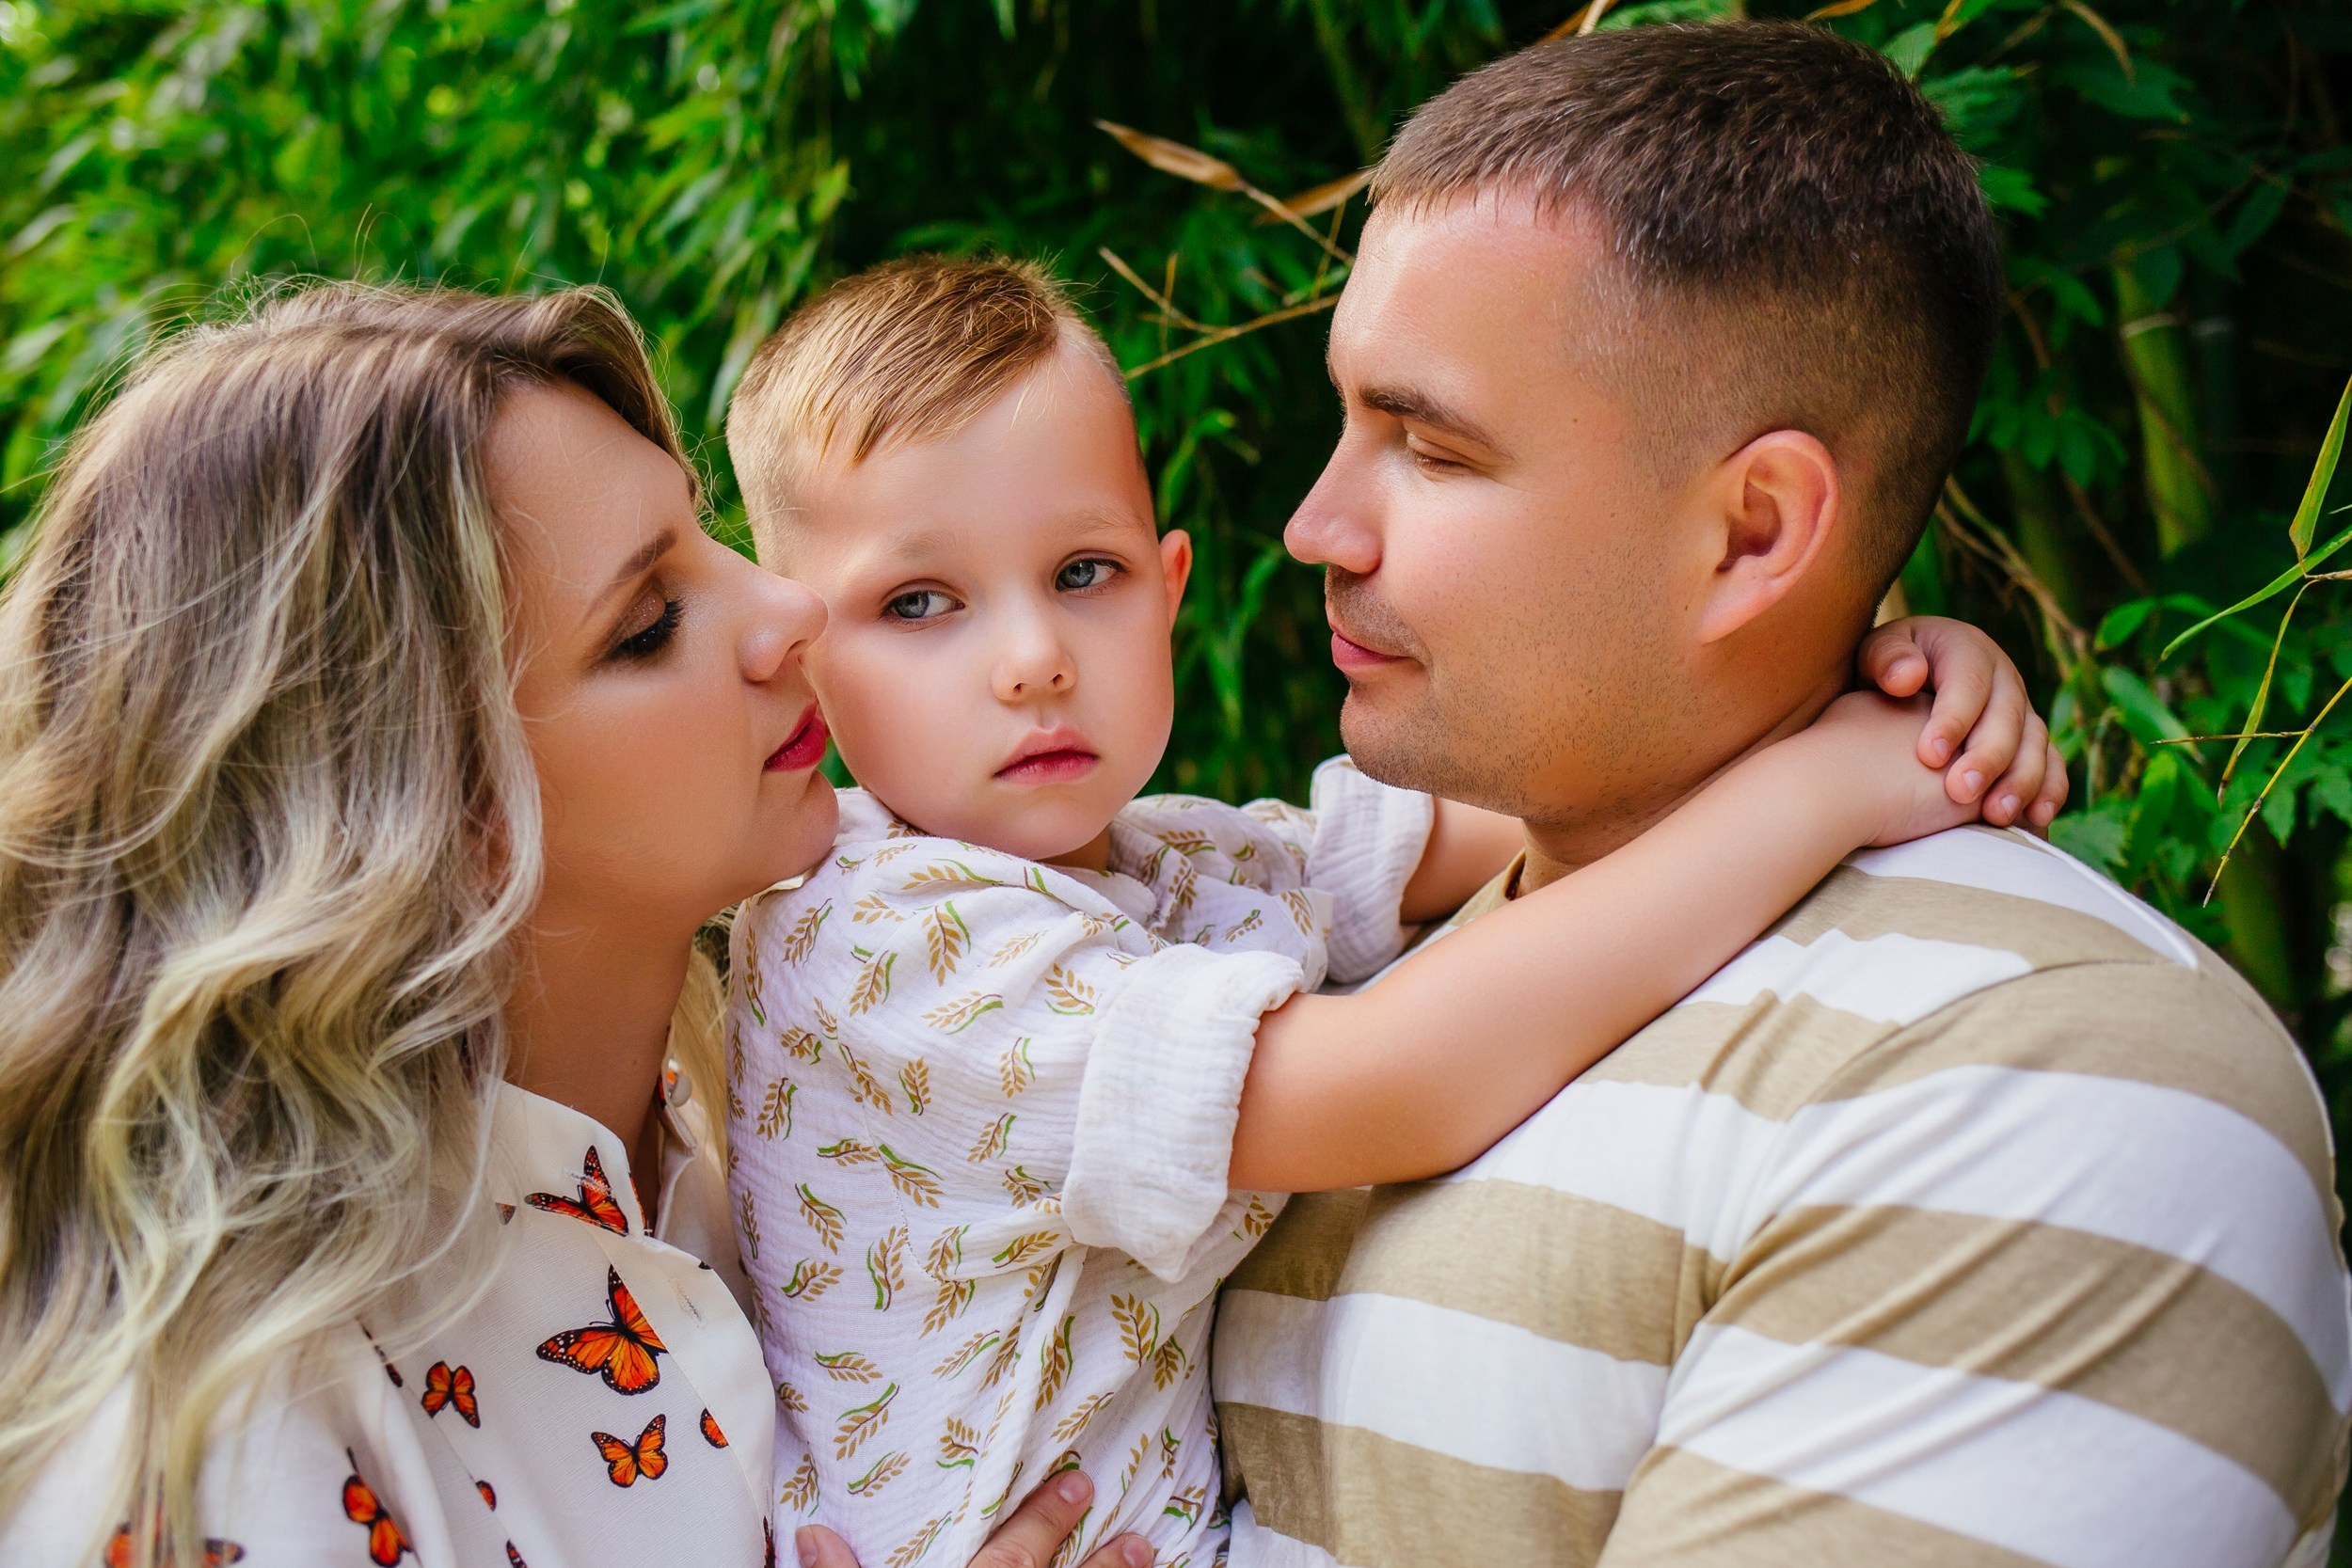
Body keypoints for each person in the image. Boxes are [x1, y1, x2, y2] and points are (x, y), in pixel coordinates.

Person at [1188, 24, 2352, 1568]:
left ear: (1752, 532)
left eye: (1430, 447)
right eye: (1349, 422)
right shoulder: (1349, 956)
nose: (1315, 525)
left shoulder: (2050, 1076)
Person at [718, 255, 2061, 1567]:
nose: (1031, 661)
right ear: (803, 657)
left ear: (1169, 585)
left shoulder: (1180, 861)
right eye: (918, 604)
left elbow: (1590, 795)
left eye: (1083, 574)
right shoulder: (885, 943)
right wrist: (1826, 789)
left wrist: (1864, 683)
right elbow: (1397, 1083)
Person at [0, 283, 1139, 1568]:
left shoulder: (812, 1115)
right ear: (430, 806)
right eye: (648, 625)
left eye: (706, 536)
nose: (789, 611)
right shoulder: (231, 1434)